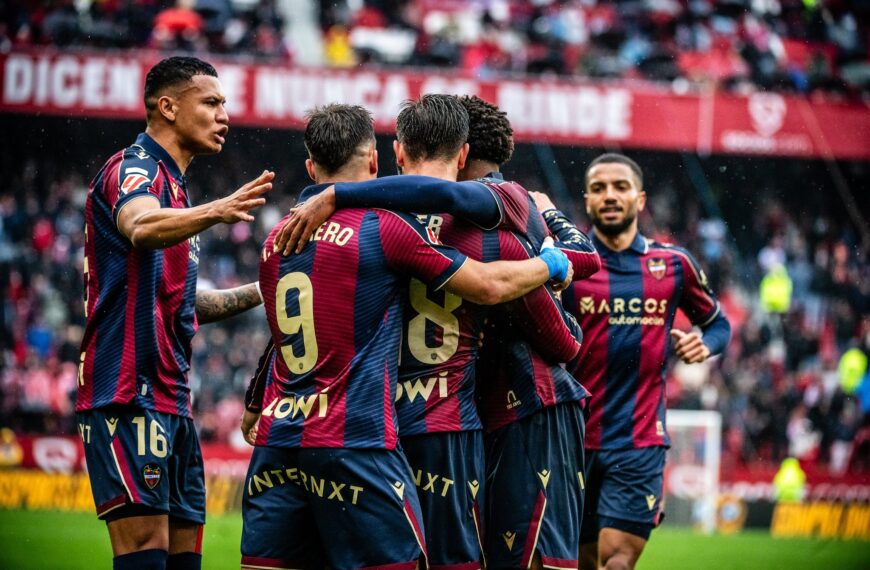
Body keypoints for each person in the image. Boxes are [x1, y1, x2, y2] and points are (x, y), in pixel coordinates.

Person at [274, 95, 600, 569]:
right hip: (456, 423)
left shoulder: (371, 225)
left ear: (395, 153)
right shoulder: (495, 230)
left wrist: (336, 195)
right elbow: (563, 339)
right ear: (462, 155)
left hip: (373, 427)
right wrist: (550, 257)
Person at [76, 56, 274, 570]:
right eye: (211, 103)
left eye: (224, 104)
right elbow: (139, 226)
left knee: (185, 560)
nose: (224, 115)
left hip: (173, 399)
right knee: (145, 555)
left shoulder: (176, 190)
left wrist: (266, 288)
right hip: (127, 394)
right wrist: (217, 210)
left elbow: (183, 302)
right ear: (167, 107)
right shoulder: (135, 168)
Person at [547, 153, 731, 570]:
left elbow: (718, 323)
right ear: (587, 201)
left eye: (620, 187)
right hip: (571, 439)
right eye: (598, 189)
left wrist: (705, 344)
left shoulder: (673, 265)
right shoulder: (566, 266)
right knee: (582, 562)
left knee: (618, 561)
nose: (610, 196)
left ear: (640, 199)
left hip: (639, 439)